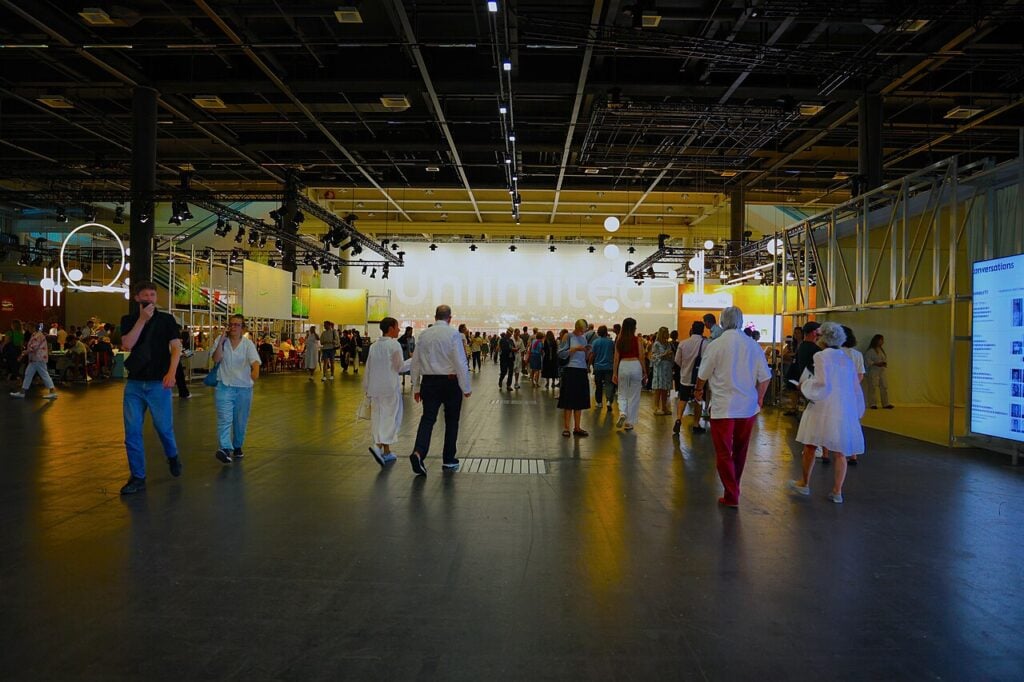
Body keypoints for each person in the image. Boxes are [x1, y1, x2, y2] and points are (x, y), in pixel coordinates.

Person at [694, 307, 771, 508]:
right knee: (740, 450)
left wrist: (698, 391)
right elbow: (765, 378)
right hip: (747, 407)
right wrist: (760, 399)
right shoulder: (753, 345)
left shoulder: (716, 345)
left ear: (721, 321)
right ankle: (734, 487)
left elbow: (703, 374)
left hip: (723, 407)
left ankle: (732, 493)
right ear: (741, 321)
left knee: (723, 452)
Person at [788, 322, 865, 503]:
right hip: (843, 407)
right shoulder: (846, 359)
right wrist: (856, 409)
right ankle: (837, 491)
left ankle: (804, 483)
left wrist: (804, 386)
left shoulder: (821, 356)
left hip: (822, 405)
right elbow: (855, 386)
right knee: (840, 451)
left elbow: (822, 383)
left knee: (811, 444)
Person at [118, 281, 184, 495]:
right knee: (132, 431)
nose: (150, 298)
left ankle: (172, 455)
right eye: (145, 294)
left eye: (153, 294)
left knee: (164, 428)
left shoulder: (166, 320)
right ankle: (138, 476)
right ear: (137, 298)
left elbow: (176, 347)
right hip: (135, 384)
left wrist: (172, 373)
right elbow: (127, 345)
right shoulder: (128, 320)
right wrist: (141, 320)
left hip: (158, 383)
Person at [408, 305, 472, 475]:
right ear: (449, 318)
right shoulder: (453, 334)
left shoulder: (424, 335)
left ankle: (418, 452)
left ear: (435, 317)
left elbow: (415, 362)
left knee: (427, 419)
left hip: (429, 382)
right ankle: (449, 459)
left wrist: (416, 386)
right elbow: (460, 362)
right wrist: (465, 386)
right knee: (451, 421)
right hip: (450, 383)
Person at [212, 314, 261, 464]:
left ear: (242, 328)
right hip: (224, 386)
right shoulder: (221, 342)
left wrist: (254, 372)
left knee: (240, 420)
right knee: (224, 418)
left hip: (243, 388)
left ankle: (238, 445)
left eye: (237, 325)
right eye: (231, 324)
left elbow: (255, 361)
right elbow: (215, 359)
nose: (233, 327)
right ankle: (225, 448)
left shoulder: (247, 344)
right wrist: (220, 341)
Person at [365, 317, 407, 467]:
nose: (399, 330)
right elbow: (400, 367)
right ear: (391, 328)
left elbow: (368, 369)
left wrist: (367, 389)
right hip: (389, 388)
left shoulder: (374, 346)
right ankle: (378, 447)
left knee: (378, 418)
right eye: (397, 327)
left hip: (375, 389)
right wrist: (414, 361)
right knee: (390, 419)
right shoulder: (394, 345)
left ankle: (386, 451)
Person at [558, 319, 593, 437]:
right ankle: (566, 427)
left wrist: (587, 352)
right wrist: (575, 349)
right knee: (568, 399)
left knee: (579, 400)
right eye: (582, 329)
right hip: (570, 369)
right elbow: (561, 353)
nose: (583, 332)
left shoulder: (584, 338)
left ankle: (577, 427)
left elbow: (584, 356)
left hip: (581, 369)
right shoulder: (568, 336)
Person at [612, 317, 646, 431]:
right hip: (635, 365)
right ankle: (629, 422)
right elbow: (641, 356)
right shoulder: (638, 340)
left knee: (622, 393)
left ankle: (622, 412)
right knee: (634, 395)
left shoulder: (619, 340)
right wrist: (645, 371)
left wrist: (614, 373)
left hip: (623, 366)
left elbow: (616, 358)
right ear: (634, 327)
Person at [673, 321, 706, 435]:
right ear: (702, 330)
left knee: (683, 399)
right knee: (698, 400)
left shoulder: (683, 343)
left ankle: (678, 419)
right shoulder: (706, 344)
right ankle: (696, 424)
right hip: (699, 378)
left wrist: (685, 367)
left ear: (692, 329)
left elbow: (677, 360)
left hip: (685, 377)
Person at [9, 323, 57, 400]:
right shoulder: (36, 335)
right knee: (29, 374)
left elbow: (33, 347)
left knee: (43, 374)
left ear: (33, 327)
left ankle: (52, 391)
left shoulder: (38, 335)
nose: (28, 329)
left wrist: (23, 354)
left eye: (29, 327)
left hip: (38, 358)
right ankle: (23, 392)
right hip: (35, 358)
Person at [840, 325, 866, 465]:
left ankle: (828, 452)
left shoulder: (834, 353)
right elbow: (860, 375)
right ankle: (853, 453)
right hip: (853, 392)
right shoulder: (857, 354)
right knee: (853, 422)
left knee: (833, 421)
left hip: (837, 393)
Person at [864, 334, 893, 409]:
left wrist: (883, 363)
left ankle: (886, 403)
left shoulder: (881, 350)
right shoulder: (870, 351)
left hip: (881, 371)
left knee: (884, 386)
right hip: (873, 371)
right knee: (873, 387)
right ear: (876, 340)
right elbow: (867, 361)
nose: (882, 341)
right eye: (881, 340)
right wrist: (876, 363)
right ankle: (872, 404)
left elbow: (884, 359)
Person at [651, 326, 674, 415]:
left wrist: (670, 356)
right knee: (658, 389)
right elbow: (653, 357)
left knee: (665, 389)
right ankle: (656, 407)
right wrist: (664, 354)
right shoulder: (656, 344)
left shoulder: (668, 344)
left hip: (667, 368)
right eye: (666, 333)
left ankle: (664, 407)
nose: (668, 334)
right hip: (659, 368)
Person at [591, 325, 615, 411]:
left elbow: (593, 354)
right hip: (609, 366)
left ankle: (599, 403)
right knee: (609, 384)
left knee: (598, 385)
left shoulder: (595, 342)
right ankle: (609, 401)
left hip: (598, 367)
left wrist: (589, 364)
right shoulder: (611, 342)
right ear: (606, 332)